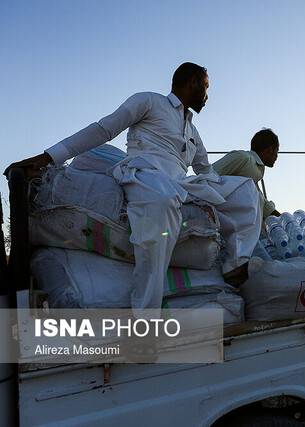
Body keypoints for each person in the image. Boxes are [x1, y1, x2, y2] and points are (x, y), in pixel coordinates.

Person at [4, 63, 262, 358]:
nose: (207, 95)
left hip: (182, 185)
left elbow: (206, 170)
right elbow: (103, 129)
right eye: (205, 87)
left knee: (244, 189)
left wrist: (217, 191)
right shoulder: (149, 101)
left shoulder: (193, 131)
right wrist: (47, 157)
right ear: (191, 82)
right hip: (145, 175)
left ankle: (233, 267)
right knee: (163, 205)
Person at [212, 128, 280, 219]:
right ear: (271, 149)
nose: (277, 155)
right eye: (277, 150)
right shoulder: (243, 157)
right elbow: (208, 175)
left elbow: (262, 204)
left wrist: (286, 220)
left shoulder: (254, 175)